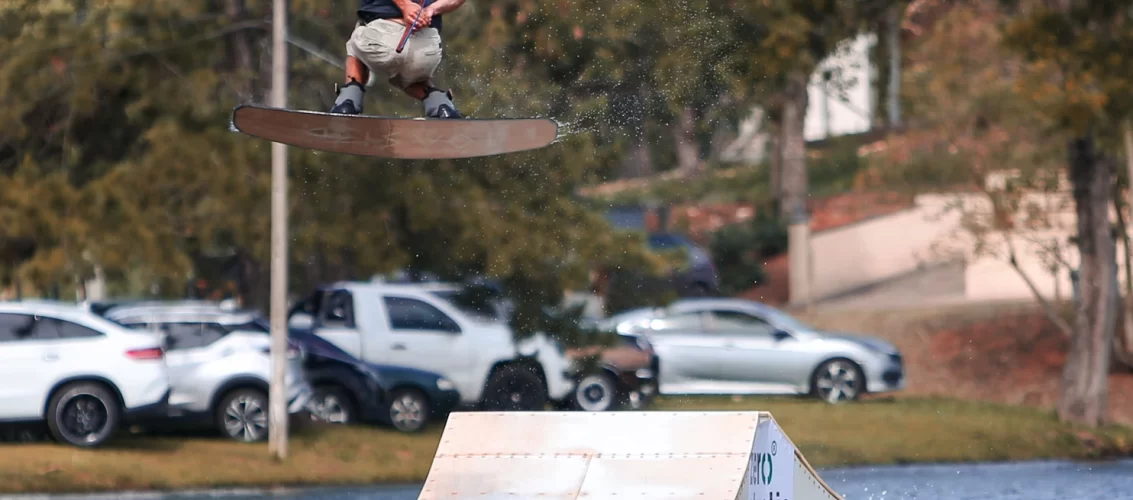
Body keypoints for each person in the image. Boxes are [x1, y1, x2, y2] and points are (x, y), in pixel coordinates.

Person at [330, 0, 466, 118]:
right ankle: (440, 104)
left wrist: (405, 5)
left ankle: (348, 101)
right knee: (412, 78)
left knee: (356, 43)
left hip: (382, 38)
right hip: (428, 48)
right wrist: (431, 10)